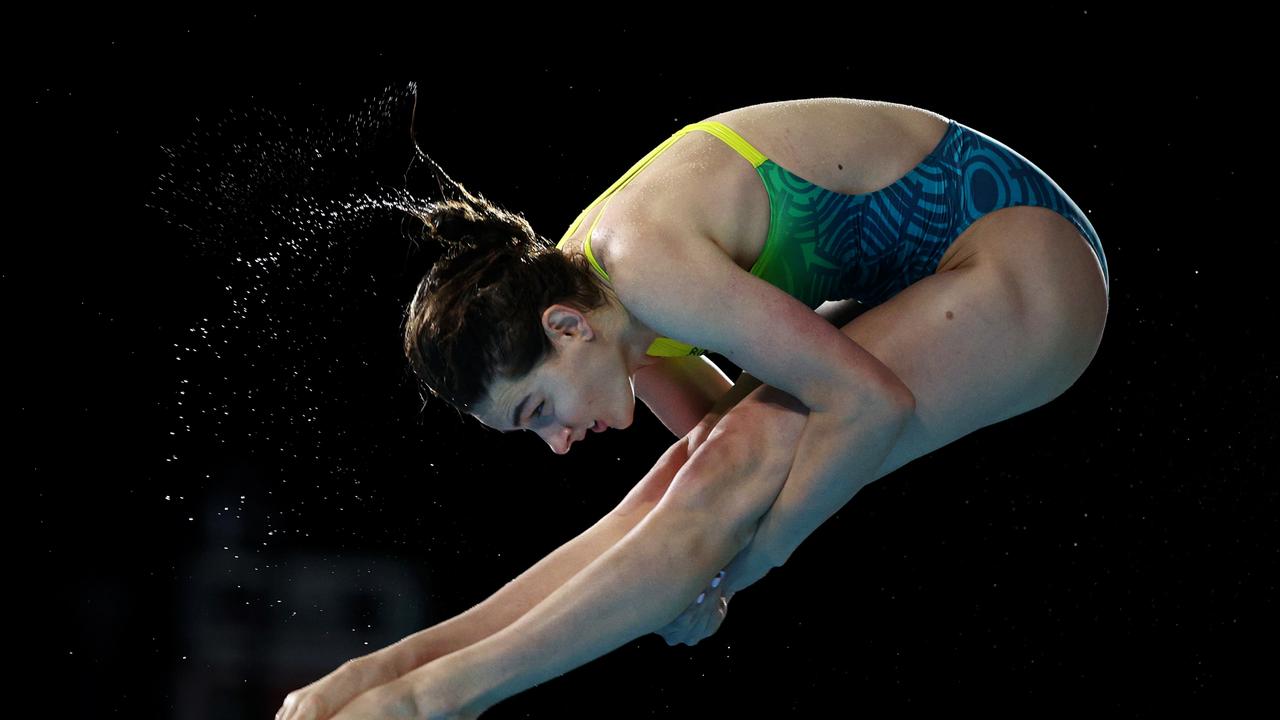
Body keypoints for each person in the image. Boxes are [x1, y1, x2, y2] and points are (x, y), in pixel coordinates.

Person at [277, 97, 1110, 718]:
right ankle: (385, 674)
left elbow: (866, 407)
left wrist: (739, 573)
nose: (561, 444)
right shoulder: (608, 303)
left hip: (1030, 260)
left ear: (564, 328)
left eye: (538, 411)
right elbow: (697, 487)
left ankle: (433, 702)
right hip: (955, 268)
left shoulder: (641, 261)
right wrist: (707, 573)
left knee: (732, 465)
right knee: (698, 470)